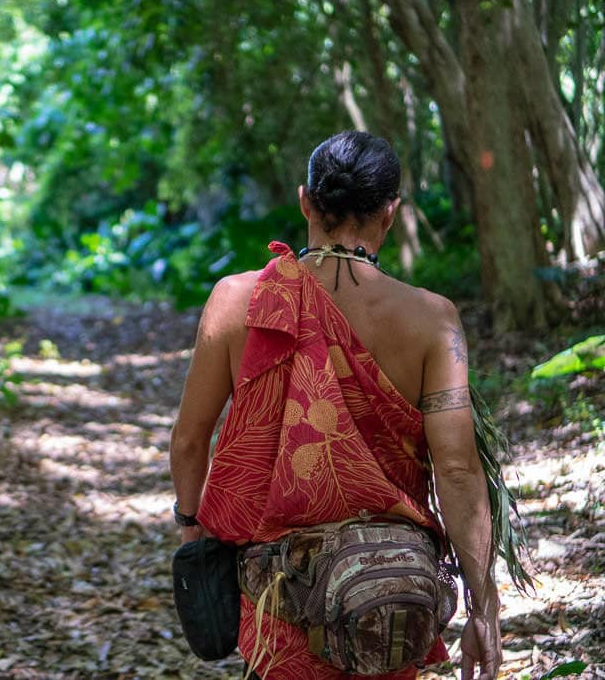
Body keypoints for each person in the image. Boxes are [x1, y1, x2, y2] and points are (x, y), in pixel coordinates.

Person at [169, 131, 502, 680]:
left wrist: (191, 531)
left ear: (305, 201)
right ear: (389, 214)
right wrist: (483, 606)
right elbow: (459, 469)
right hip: (390, 608)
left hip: (280, 600)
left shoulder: (235, 301)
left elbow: (188, 440)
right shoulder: (431, 319)